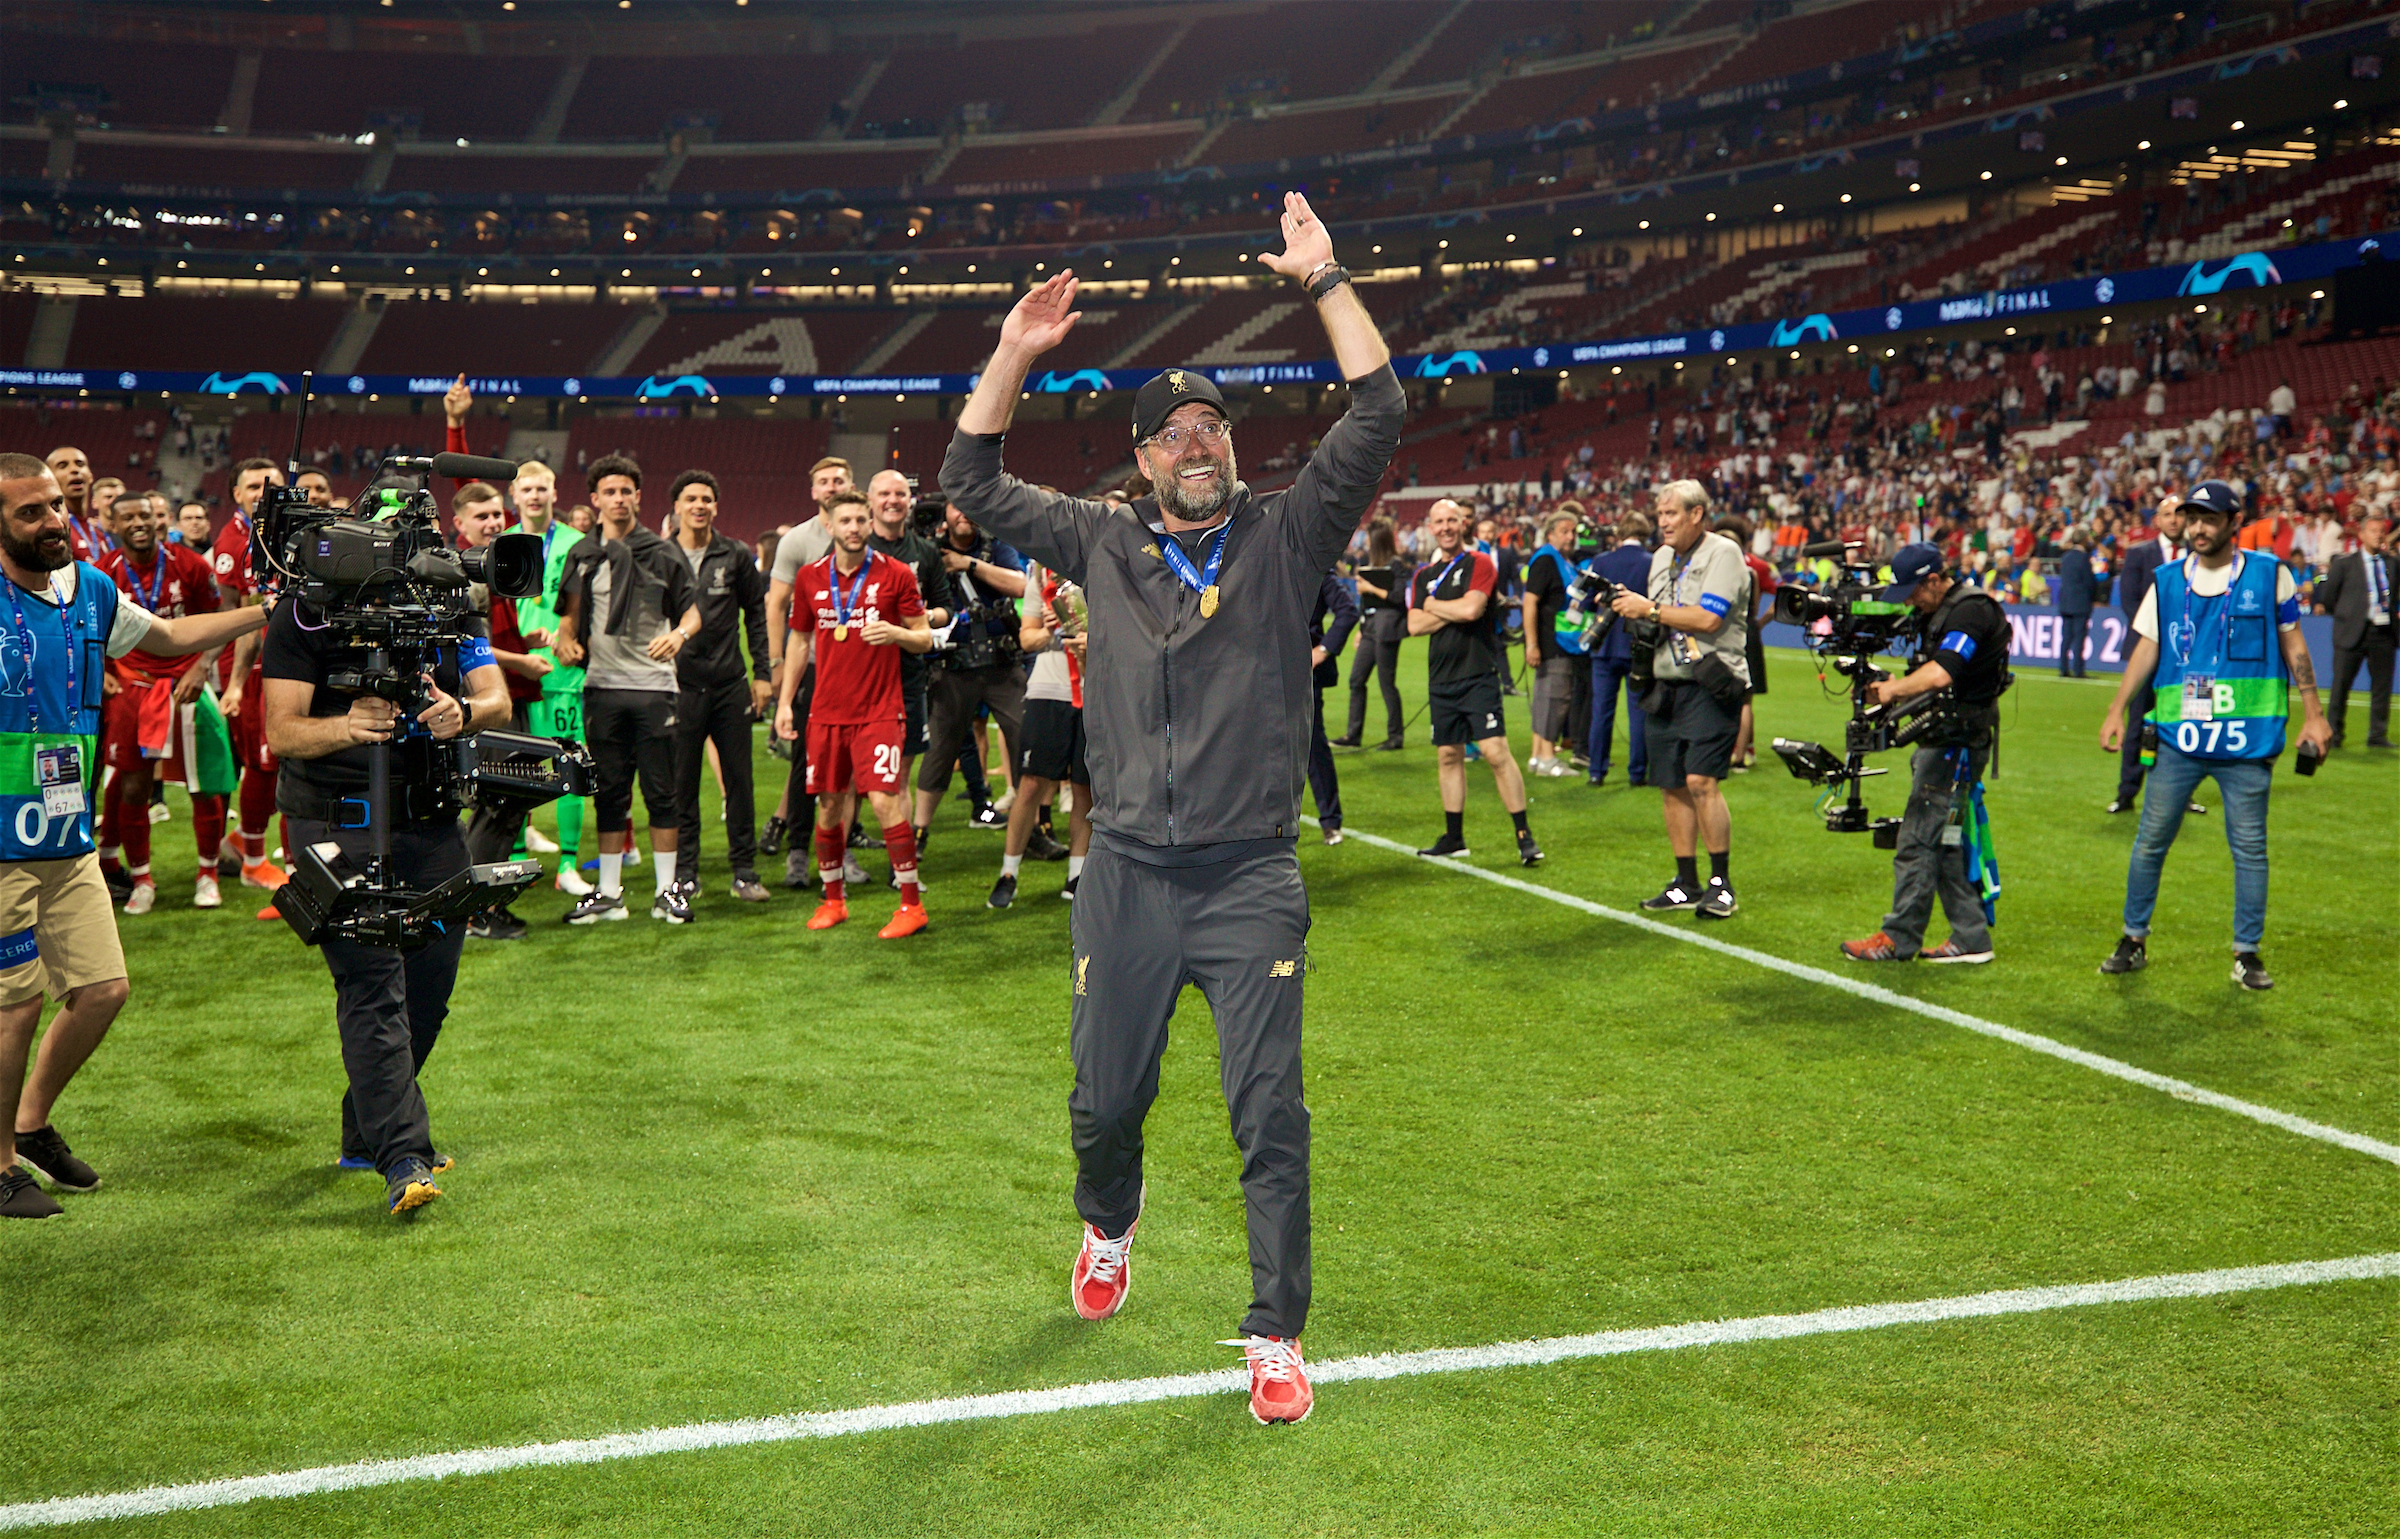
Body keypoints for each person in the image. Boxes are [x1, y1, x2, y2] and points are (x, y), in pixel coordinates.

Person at [941, 193, 1401, 1425]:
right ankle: (1110, 1223)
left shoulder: (1290, 533)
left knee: (1270, 1110)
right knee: (1105, 1103)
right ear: (1144, 457)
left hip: (1251, 876)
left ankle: (1276, 1332)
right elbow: (968, 474)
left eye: (1215, 426)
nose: (1200, 442)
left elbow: (1381, 408)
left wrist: (1325, 280)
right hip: (1130, 874)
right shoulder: (1098, 537)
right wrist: (1015, 352)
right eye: (1175, 431)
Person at [0, 454, 269, 1220]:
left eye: (55, 506)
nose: (54, 521)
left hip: (65, 835)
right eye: (30, 513)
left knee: (103, 989)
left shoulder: (87, 588)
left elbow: (174, 632)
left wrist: (265, 611)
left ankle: (29, 1121)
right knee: (13, 1006)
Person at [260, 515, 511, 1214]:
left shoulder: (449, 608)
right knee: (373, 984)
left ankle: (362, 1132)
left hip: (429, 816)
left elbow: (496, 696)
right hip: (335, 815)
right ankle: (403, 1156)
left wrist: (463, 710)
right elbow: (280, 729)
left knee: (429, 986)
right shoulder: (305, 614)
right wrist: (348, 725)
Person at [2098, 479, 2331, 990]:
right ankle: (2133, 938)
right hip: (2180, 740)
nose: (2197, 528)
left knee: (2249, 850)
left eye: (2208, 518)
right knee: (2149, 843)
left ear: (2233, 521)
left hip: (2247, 743)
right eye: (2192, 518)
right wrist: (2117, 709)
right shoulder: (2165, 580)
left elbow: (2296, 647)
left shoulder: (2271, 575)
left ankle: (2246, 953)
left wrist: (2314, 713)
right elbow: (2146, 649)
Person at [1839, 543, 2013, 964]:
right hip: (1945, 739)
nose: (1913, 602)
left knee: (1917, 839)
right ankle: (1971, 937)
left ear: (1934, 580)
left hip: (1957, 743)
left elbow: (1943, 672)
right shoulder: (1942, 609)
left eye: (1915, 591)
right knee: (1946, 842)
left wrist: (1893, 689)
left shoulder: (1971, 611)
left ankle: (1899, 937)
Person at [551, 454, 702, 925]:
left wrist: (679, 635)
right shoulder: (583, 553)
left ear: (638, 496)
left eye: (626, 491)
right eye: (610, 492)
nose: (619, 499)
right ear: (594, 500)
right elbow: (569, 618)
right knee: (610, 793)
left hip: (655, 686)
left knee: (662, 793)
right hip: (602, 687)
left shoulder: (664, 551)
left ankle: (665, 891)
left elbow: (693, 612)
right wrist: (566, 642)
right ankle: (609, 892)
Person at [773, 492, 931, 938]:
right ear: (830, 526)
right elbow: (799, 642)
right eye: (845, 520)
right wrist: (786, 703)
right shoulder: (808, 578)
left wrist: (896, 632)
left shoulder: (896, 574)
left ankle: (911, 905)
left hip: (880, 710)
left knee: (882, 800)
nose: (854, 528)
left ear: (870, 522)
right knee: (827, 805)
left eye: (861, 519)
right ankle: (834, 901)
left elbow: (923, 638)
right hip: (825, 712)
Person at [1609, 480, 1748, 918]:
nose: (1662, 522)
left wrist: (1647, 610)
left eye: (1671, 514)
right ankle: (1685, 881)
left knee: (1701, 782)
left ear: (1697, 514)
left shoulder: (1723, 553)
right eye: (1660, 514)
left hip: (1709, 680)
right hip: (1664, 683)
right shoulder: (1662, 558)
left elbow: (1708, 618)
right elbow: (1661, 615)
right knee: (1670, 784)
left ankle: (1721, 884)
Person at [96, 489, 231, 914]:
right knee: (134, 786)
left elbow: (216, 622)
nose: (139, 523)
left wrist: (200, 668)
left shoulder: (188, 564)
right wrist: (103, 671)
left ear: (160, 520)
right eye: (128, 517)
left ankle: (208, 875)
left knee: (202, 783)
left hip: (187, 683)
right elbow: (87, 629)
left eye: (146, 516)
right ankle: (141, 880)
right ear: (112, 525)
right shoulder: (102, 573)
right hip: (133, 687)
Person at [1409, 500, 1542, 866]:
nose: (1447, 526)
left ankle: (1524, 836)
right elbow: (1414, 625)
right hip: (1441, 678)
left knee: (1496, 752)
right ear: (1431, 527)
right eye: (1439, 521)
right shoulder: (1424, 574)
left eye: (1453, 519)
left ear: (1463, 523)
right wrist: (1448, 609)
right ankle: (1454, 838)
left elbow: (1473, 610)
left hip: (1478, 674)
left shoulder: (1480, 563)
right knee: (1448, 755)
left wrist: (1433, 606)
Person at [663, 470, 774, 905]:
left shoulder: (734, 554)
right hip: (679, 686)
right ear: (676, 506)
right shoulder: (660, 555)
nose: (699, 505)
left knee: (739, 782)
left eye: (707, 498)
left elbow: (756, 617)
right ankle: (686, 871)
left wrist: (762, 674)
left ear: (715, 506)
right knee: (682, 783)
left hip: (730, 685)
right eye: (691, 498)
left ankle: (743, 870)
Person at [452, 482, 552, 940]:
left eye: (497, 515)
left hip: (514, 697)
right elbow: (472, 646)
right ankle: (472, 910)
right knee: (496, 803)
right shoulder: (462, 572)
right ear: (460, 524)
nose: (493, 523)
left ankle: (487, 903)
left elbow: (496, 636)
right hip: (491, 706)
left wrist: (522, 645)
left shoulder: (496, 563)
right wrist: (522, 662)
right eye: (482, 517)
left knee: (512, 805)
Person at [760, 456, 855, 881]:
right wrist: (778, 663)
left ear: (852, 486)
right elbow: (776, 605)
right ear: (814, 491)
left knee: (852, 768)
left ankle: (843, 850)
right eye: (824, 481)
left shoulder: (864, 536)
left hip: (860, 671)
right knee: (805, 762)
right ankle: (798, 849)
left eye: (840, 479)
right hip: (814, 667)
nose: (832, 486)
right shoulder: (798, 540)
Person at [911, 504, 1028, 835]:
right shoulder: (927, 550)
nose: (965, 514)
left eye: (971, 507)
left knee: (1025, 743)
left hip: (1002, 664)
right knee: (939, 753)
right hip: (952, 666)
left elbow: (1020, 585)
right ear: (944, 512)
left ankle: (1032, 830)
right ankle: (918, 835)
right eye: (956, 507)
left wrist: (968, 564)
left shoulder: (996, 544)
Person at [506, 457, 593, 896]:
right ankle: (520, 862)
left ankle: (569, 865)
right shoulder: (501, 543)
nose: (536, 496)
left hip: (564, 674)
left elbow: (593, 605)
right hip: (516, 675)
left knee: (571, 765)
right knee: (517, 771)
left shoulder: (579, 542)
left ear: (555, 493)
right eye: (527, 489)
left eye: (543, 488)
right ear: (515, 496)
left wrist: (572, 637)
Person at [211, 456, 294, 915]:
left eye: (273, 486)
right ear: (236, 496)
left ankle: (244, 842)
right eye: (253, 488)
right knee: (267, 764)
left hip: (279, 659)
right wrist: (237, 683)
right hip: (254, 662)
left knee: (280, 762)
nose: (264, 494)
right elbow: (237, 616)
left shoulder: (281, 533)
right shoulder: (236, 540)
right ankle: (255, 861)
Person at [865, 469, 960, 855]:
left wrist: (919, 618)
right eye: (884, 493)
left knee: (900, 775)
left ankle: (899, 863)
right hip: (860, 676)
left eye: (900, 494)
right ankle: (841, 859)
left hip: (907, 676)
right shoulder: (853, 548)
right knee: (851, 781)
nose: (892, 501)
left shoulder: (924, 553)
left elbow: (946, 609)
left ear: (910, 501)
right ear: (870, 500)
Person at [989, 557, 1092, 907]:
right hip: (1049, 689)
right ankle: (1008, 873)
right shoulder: (1044, 573)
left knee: (1085, 785)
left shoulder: (1110, 565)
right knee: (1031, 782)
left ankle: (1077, 875)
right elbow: (1026, 637)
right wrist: (1049, 629)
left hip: (1096, 688)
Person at [2107, 497, 2204, 817]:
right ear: (2157, 521)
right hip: (2147, 652)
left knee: (2190, 722)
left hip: (2192, 656)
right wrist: (2159, 634)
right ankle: (2127, 793)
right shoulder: (2138, 553)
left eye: (2179, 514)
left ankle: (2185, 792)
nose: (2174, 520)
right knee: (2137, 723)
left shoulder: (2202, 554)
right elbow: (2130, 602)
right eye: (2167, 515)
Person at [2314, 511, 2393, 749]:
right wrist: (2348, 614)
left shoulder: (2393, 563)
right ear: (2361, 535)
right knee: (2341, 685)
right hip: (2351, 631)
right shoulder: (2344, 564)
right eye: (2374, 531)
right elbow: (2327, 597)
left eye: (2382, 531)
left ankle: (2377, 735)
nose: (2379, 535)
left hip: (2383, 633)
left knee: (2382, 687)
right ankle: (2334, 734)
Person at [1586, 512, 1653, 787]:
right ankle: (1637, 773)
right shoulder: (1652, 562)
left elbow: (1590, 600)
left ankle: (1596, 771)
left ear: (1619, 532)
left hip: (1604, 645)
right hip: (1638, 646)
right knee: (1638, 712)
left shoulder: (1602, 561)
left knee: (1601, 711)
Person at [1335, 517, 1409, 750]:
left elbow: (1399, 598)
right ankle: (1353, 734)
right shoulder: (1368, 562)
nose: (1365, 541)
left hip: (1388, 628)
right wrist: (1360, 628)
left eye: (1368, 537)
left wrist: (1370, 588)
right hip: (1370, 627)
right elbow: (1365, 603)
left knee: (1387, 683)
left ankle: (1395, 736)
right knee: (1356, 679)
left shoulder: (1396, 565)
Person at [1520, 510, 1583, 777]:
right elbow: (1530, 601)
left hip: (1558, 641)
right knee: (1555, 699)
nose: (1570, 537)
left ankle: (1537, 755)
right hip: (1552, 643)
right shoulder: (1547, 560)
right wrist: (1532, 643)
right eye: (1565, 531)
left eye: (1573, 532)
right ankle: (1547, 758)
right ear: (1550, 534)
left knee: (1546, 698)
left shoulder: (1560, 560)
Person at [1305, 566, 1357, 842]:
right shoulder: (1259, 565)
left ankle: (1330, 821)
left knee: (1313, 745)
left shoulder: (1318, 570)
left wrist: (1322, 651)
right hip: (1259, 669)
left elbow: (1348, 611)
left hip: (1302, 673)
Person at [2054, 530, 2097, 678]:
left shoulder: (2066, 557)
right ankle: (2078, 669)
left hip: (2066, 602)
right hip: (2080, 602)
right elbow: (2089, 581)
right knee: (2079, 637)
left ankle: (2063, 668)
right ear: (2084, 540)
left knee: (2066, 637)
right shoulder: (2084, 558)